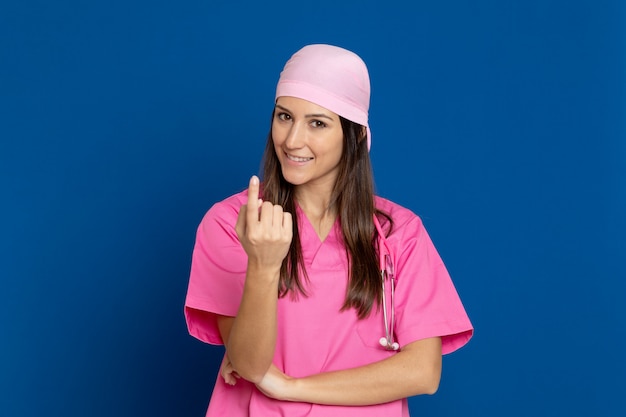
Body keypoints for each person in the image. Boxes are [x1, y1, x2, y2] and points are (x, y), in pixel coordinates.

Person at [184, 44, 473, 417]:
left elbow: (423, 372)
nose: (292, 140)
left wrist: (290, 387)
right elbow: (251, 365)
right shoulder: (233, 223)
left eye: (317, 123)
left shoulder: (398, 232)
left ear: (353, 136)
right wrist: (264, 265)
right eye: (284, 116)